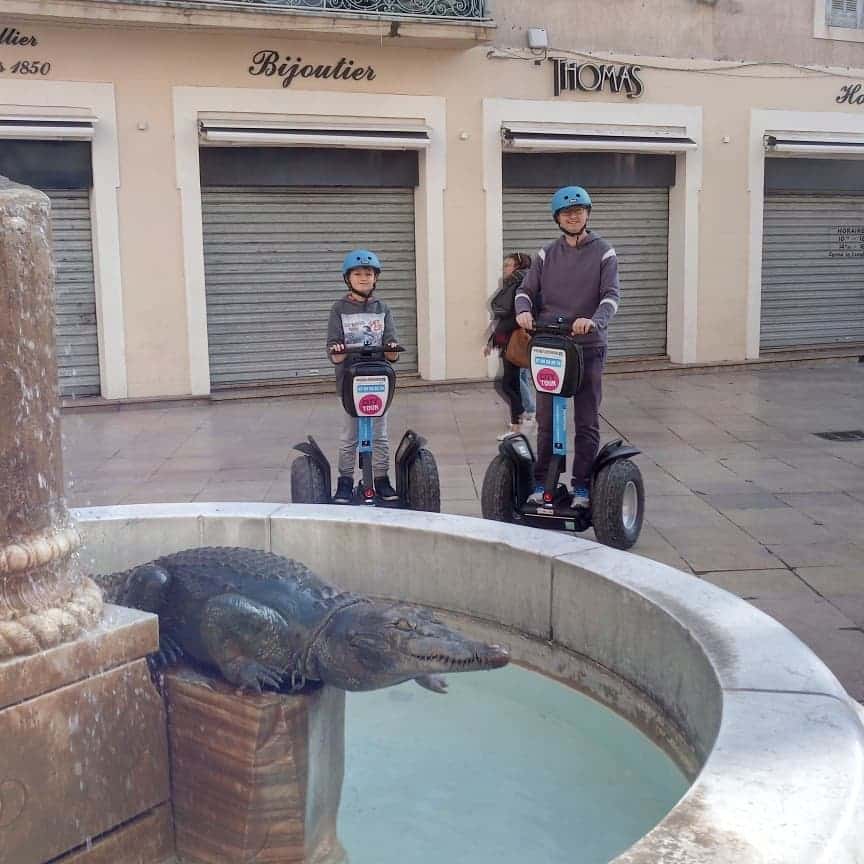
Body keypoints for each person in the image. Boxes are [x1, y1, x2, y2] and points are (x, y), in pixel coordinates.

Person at [514, 186, 620, 508]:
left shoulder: (604, 252)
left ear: (587, 214)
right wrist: (523, 311)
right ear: (557, 219)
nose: (573, 216)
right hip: (551, 347)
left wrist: (593, 320)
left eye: (578, 211)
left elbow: (611, 297)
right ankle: (542, 481)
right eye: (566, 212)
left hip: (587, 346)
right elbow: (525, 290)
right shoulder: (546, 254)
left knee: (586, 420)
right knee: (547, 420)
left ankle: (582, 487)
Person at [326, 249, 400, 505]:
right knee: (349, 435)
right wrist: (337, 349)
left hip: (378, 379)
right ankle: (345, 482)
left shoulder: (383, 308)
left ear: (375, 278)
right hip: (350, 380)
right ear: (348, 279)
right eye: (358, 274)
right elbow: (333, 349)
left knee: (380, 434)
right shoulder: (339, 309)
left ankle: (381, 479)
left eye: (368, 274)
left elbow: (391, 346)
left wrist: (391, 348)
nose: (364, 278)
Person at [485, 251, 534, 440]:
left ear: (518, 267)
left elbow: (514, 316)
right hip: (509, 341)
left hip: (515, 342)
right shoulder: (514, 284)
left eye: (508, 265)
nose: (504, 269)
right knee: (511, 384)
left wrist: (495, 337)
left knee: (510, 384)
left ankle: (521, 423)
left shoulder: (519, 285)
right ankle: (521, 421)